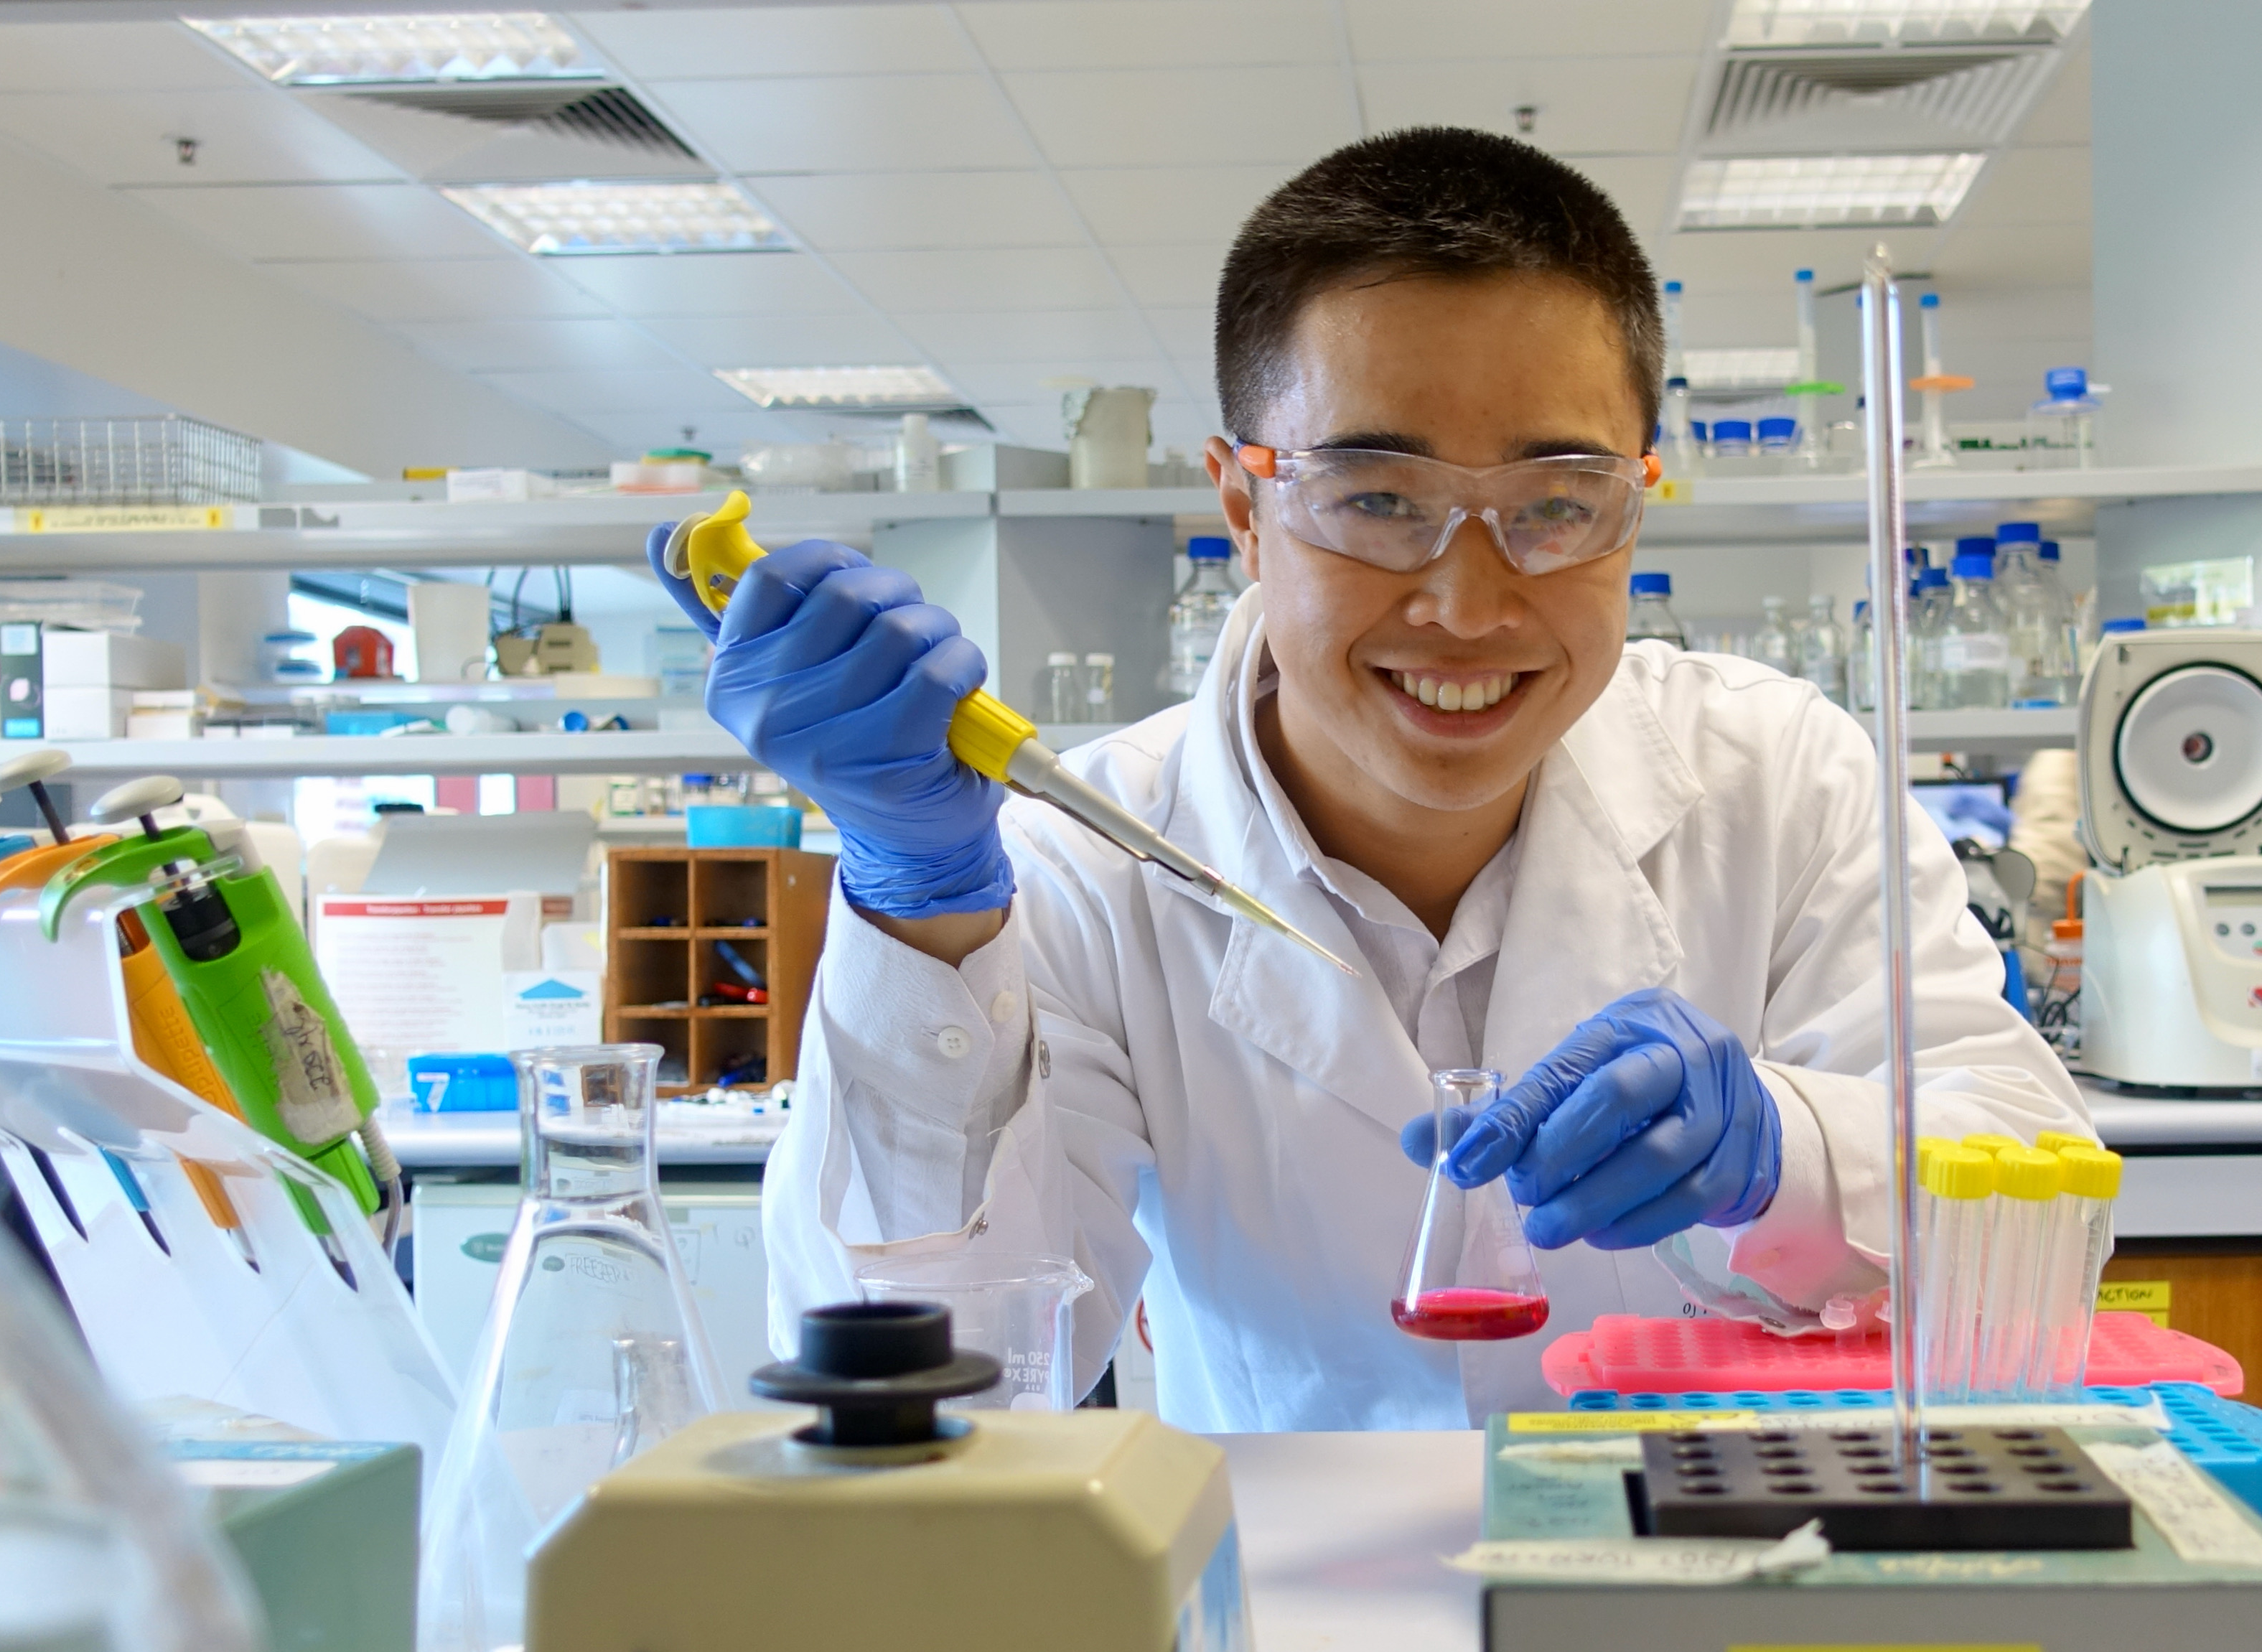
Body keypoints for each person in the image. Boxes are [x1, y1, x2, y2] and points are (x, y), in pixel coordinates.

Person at [655, 127, 2088, 1432]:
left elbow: (2042, 1219)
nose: (1467, 605)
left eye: (1555, 505)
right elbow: (921, 1364)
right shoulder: (1077, 856)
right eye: (1380, 500)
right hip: (1291, 1604)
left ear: (1634, 501)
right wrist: (921, 913)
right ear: (1244, 503)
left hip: (1709, 1580)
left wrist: (1790, 1151)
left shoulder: (1781, 774)